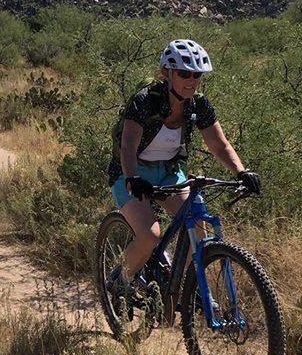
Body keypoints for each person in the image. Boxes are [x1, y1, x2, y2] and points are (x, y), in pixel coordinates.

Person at [106, 38, 260, 298]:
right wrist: (132, 176)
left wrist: (242, 172)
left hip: (168, 172)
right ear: (166, 73)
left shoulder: (198, 105)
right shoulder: (144, 101)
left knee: (197, 227)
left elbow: (219, 145)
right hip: (129, 173)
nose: (191, 80)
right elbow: (128, 145)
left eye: (196, 75)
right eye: (184, 74)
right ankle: (121, 278)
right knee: (149, 236)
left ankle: (187, 290)